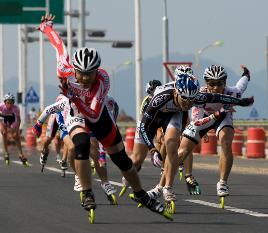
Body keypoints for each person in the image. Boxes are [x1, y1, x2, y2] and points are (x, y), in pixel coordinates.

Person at [37, 14, 172, 221]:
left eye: (89, 74)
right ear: (75, 69)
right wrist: (46, 27)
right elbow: (58, 45)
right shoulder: (64, 69)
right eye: (81, 74)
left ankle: (141, 194)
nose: (84, 78)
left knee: (122, 160)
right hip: (76, 114)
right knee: (80, 145)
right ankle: (87, 192)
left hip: (97, 114)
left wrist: (74, 96)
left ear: (95, 72)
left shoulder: (103, 79)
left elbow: (94, 112)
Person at [134, 72, 253, 213]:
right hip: (192, 117)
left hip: (215, 116)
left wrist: (241, 101)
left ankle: (170, 187)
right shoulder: (161, 98)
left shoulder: (197, 97)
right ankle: (160, 187)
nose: (188, 104)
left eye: (191, 101)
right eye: (211, 84)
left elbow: (229, 93)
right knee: (181, 151)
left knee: (176, 144)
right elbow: (144, 127)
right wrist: (152, 149)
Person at [178, 64, 250, 197]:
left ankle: (222, 183)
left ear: (225, 82)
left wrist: (246, 73)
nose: (216, 87)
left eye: (220, 83)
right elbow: (196, 123)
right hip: (204, 117)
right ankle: (162, 185)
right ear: (206, 83)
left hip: (223, 118)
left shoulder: (233, 92)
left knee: (226, 143)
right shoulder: (199, 94)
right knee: (182, 151)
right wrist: (211, 119)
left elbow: (242, 84)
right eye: (212, 84)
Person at [0, 93, 28, 166]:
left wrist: (17, 131)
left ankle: (21, 154)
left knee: (16, 136)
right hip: (2, 120)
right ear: (5, 102)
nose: (10, 105)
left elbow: (19, 120)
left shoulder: (15, 108)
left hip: (12, 121)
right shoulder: (1, 106)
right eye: (8, 103)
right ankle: (6, 152)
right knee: (4, 132)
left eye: (11, 102)